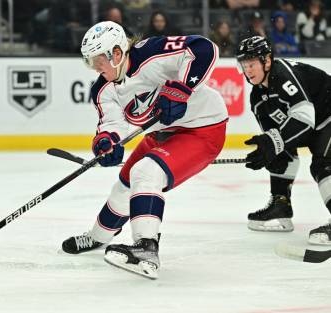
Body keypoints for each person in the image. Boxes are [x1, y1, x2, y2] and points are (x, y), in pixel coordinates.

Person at [61, 21, 228, 279]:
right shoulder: (102, 89)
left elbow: (203, 48)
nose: (95, 68)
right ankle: (97, 237)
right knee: (124, 185)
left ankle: (146, 249)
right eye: (90, 62)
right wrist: (107, 142)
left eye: (98, 61)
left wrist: (181, 90)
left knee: (146, 173)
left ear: (116, 53)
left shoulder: (150, 52)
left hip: (202, 129)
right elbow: (112, 123)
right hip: (160, 134)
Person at [236, 35, 331, 245]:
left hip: (327, 117)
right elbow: (278, 141)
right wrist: (268, 150)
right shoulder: (257, 98)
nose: (247, 70)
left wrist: (273, 143)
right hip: (316, 124)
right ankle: (281, 205)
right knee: (279, 153)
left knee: (324, 165)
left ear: (267, 61)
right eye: (243, 65)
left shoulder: (282, 74)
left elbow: (304, 120)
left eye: (251, 63)